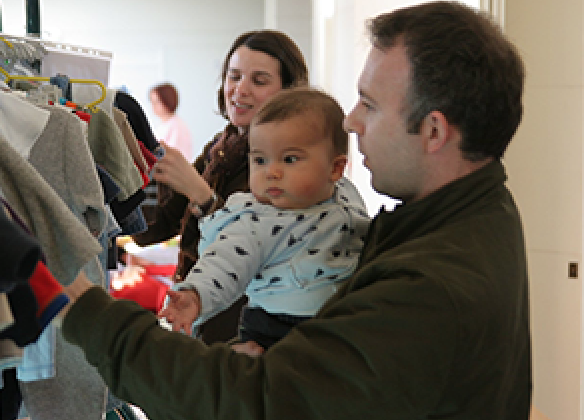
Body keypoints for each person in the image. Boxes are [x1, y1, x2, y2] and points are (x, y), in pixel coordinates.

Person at [60, 2, 531, 418]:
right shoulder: (471, 214)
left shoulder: (430, 284)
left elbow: (260, 402)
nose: (352, 121)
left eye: (369, 105)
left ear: (434, 132)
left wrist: (92, 313)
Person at [159, 88, 370, 355]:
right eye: (260, 160)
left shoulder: (346, 195)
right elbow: (224, 264)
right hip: (278, 328)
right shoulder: (256, 220)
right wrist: (195, 296)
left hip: (341, 321)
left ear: (336, 169)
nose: (271, 172)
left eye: (289, 159)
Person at [133, 30, 309, 345]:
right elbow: (151, 228)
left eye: (259, 81)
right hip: (206, 323)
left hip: (248, 334)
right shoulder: (222, 148)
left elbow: (262, 251)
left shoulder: (292, 161)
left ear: (288, 92)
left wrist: (202, 196)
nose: (240, 89)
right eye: (234, 76)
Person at [149, 82, 195, 161]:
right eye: (152, 102)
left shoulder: (177, 126)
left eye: (156, 102)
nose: (153, 106)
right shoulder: (163, 125)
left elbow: (172, 157)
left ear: (166, 100)